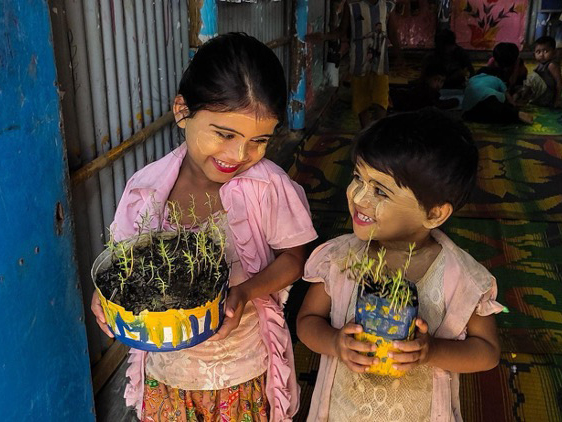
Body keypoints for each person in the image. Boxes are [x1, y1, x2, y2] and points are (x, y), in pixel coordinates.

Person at [90, 33, 318, 422]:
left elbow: (295, 260)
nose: (238, 155)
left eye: (258, 141)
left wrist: (244, 292)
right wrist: (107, 300)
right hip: (167, 376)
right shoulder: (146, 190)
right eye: (224, 134)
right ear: (182, 111)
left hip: (242, 372)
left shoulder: (268, 187)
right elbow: (123, 266)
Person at [297, 109, 503, 421]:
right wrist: (335, 343)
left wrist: (431, 351)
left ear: (433, 214)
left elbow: (487, 352)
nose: (358, 196)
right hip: (342, 411)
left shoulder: (462, 277)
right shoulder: (339, 259)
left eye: (380, 190)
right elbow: (307, 321)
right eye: (357, 178)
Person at [307, 0, 401, 128]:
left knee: (381, 101)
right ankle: (367, 133)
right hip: (359, 62)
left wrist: (399, 54)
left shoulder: (388, 5)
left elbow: (392, 32)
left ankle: (378, 134)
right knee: (362, 103)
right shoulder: (352, 5)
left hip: (380, 63)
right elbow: (341, 31)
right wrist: (324, 37)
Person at [463, 67, 533, 124]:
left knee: (480, 115)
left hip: (470, 106)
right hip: (488, 96)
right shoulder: (497, 79)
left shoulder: (472, 79)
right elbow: (507, 95)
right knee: (499, 109)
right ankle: (518, 114)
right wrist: (514, 105)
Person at [391, 60, 459, 111]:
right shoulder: (425, 93)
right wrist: (455, 101)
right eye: (436, 80)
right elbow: (437, 105)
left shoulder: (427, 90)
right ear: (428, 78)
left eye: (442, 81)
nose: (439, 84)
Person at [519, 36, 562, 108]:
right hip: (541, 95)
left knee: (532, 77)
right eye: (538, 52)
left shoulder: (551, 65)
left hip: (549, 96)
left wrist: (557, 100)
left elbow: (559, 83)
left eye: (545, 51)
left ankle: (523, 100)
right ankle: (523, 99)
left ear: (554, 52)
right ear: (534, 54)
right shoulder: (539, 65)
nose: (541, 55)